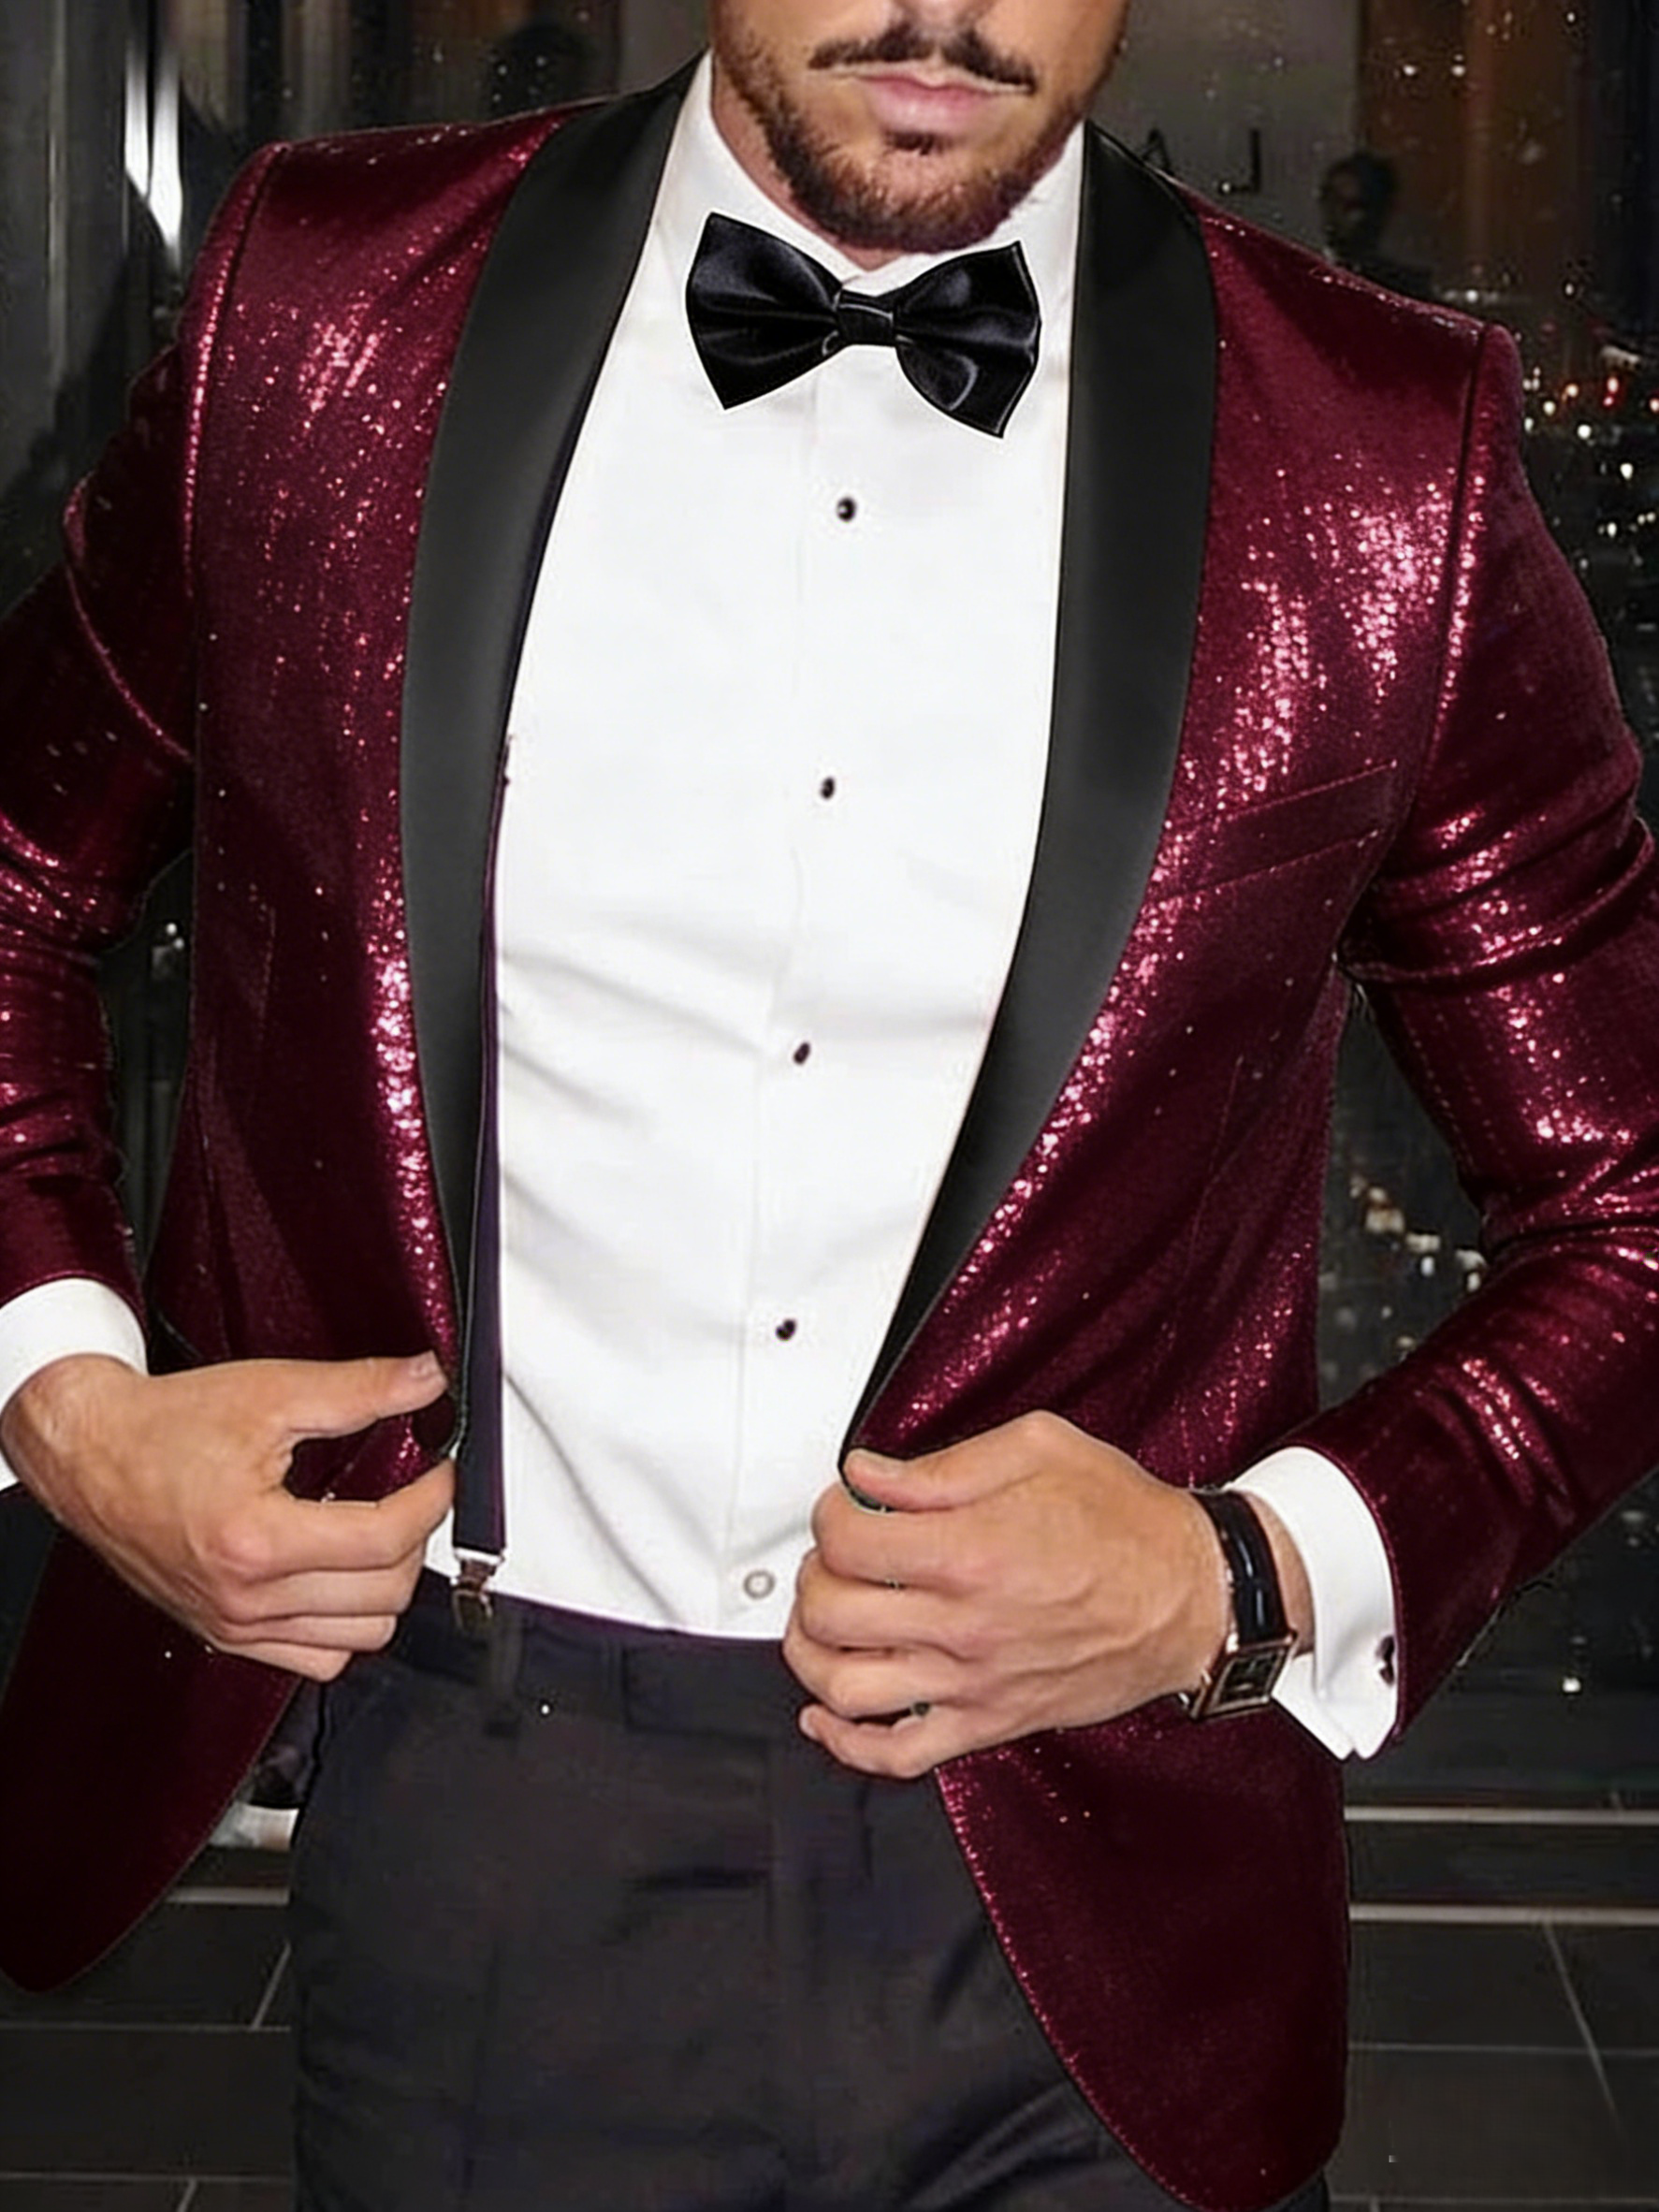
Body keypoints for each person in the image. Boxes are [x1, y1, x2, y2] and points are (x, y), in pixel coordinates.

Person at [0, 0, 1655, 2205]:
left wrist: (1242, 1578)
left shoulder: (1376, 453)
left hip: (1096, 1867)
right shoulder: (321, 312)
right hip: (485, 1826)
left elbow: (1628, 1204)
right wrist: (67, 1397)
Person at [1318, 149, 1433, 299]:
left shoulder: (1404, 287)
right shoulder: (1316, 275)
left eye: (1351, 205)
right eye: (1331, 200)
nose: (1335, 213)